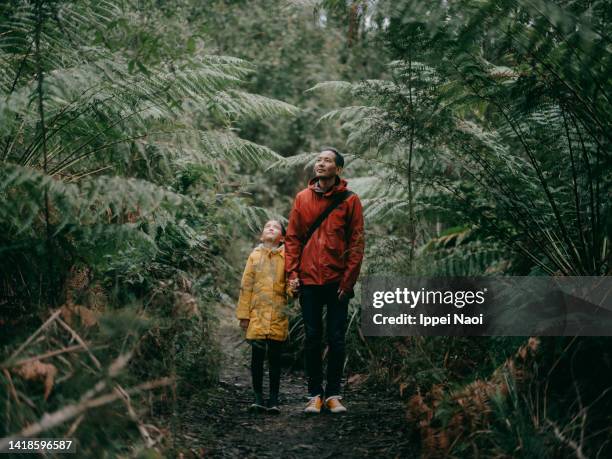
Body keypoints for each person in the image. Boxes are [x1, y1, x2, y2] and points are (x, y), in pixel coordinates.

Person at [285, 147, 365, 414]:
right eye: (318, 160)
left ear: (338, 169)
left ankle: (333, 395)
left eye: (327, 161)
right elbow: (293, 238)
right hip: (308, 279)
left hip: (337, 281)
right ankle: (313, 395)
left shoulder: (350, 200)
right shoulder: (302, 198)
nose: (320, 164)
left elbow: (356, 243)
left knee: (337, 338)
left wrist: (348, 281)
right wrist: (293, 274)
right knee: (311, 337)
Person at [236, 219, 293, 414]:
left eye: (276, 227)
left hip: (277, 313)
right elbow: (246, 286)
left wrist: (294, 289)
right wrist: (244, 315)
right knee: (257, 356)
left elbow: (290, 285)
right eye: (268, 226)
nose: (271, 228)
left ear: (282, 237)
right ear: (262, 235)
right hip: (257, 314)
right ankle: (258, 397)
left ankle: (274, 399)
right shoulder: (254, 256)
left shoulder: (287, 257)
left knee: (275, 358)